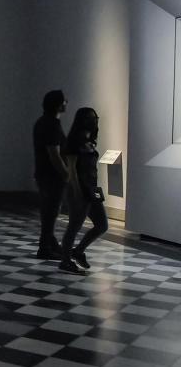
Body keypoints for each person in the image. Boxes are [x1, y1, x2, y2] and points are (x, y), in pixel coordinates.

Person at [58, 108, 108, 275]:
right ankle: (65, 261)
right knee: (74, 225)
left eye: (95, 118)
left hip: (92, 188)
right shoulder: (73, 142)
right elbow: (71, 170)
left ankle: (78, 251)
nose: (93, 121)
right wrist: (77, 192)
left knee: (102, 225)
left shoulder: (91, 141)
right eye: (89, 118)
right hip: (78, 188)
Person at [33, 90, 68, 259]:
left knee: (48, 211)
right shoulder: (52, 124)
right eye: (64, 101)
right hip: (52, 176)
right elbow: (54, 154)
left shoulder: (41, 122)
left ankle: (50, 243)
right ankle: (45, 247)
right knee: (51, 212)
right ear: (58, 104)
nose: (66, 103)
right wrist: (66, 173)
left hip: (43, 174)